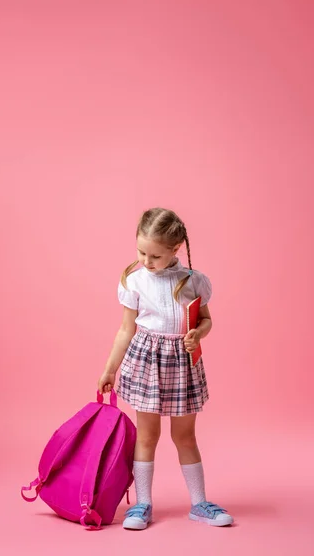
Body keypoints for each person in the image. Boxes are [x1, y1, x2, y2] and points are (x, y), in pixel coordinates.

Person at [98, 207, 233, 530]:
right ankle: (142, 504)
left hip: (182, 364)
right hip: (146, 362)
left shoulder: (192, 280)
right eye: (141, 251)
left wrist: (198, 333)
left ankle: (199, 503)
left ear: (175, 249)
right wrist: (109, 369)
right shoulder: (134, 279)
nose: (147, 261)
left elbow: (206, 319)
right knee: (147, 435)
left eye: (155, 255)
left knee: (185, 436)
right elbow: (125, 330)